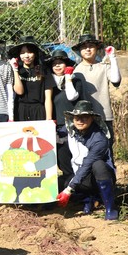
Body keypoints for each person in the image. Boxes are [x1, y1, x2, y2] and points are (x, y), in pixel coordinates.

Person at [56, 100, 119, 220]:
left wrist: (69, 190)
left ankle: (110, 207)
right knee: (60, 182)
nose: (80, 121)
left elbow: (87, 165)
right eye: (77, 118)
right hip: (80, 175)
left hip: (97, 176)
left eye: (84, 117)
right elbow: (55, 134)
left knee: (98, 165)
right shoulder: (71, 129)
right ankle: (87, 198)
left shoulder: (99, 138)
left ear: (92, 118)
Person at [72, 33, 121, 146]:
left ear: (97, 49)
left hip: (103, 116)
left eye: (91, 46)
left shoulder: (104, 67)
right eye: (84, 47)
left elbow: (115, 79)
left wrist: (112, 57)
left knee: (106, 149)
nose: (88, 49)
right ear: (79, 50)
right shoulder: (75, 71)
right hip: (83, 119)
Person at [46, 49, 82, 189]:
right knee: (63, 160)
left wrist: (68, 78)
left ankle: (80, 188)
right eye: (54, 63)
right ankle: (68, 187)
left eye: (60, 62)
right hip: (57, 126)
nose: (57, 65)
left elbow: (71, 96)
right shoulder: (49, 83)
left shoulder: (75, 80)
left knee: (77, 158)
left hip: (73, 126)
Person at [8, 36, 53, 121]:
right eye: (23, 53)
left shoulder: (44, 70)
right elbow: (19, 91)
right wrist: (15, 70)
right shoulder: (16, 70)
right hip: (20, 110)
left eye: (29, 52)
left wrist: (49, 119)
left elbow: (48, 97)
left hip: (39, 110)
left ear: (35, 53)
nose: (26, 56)